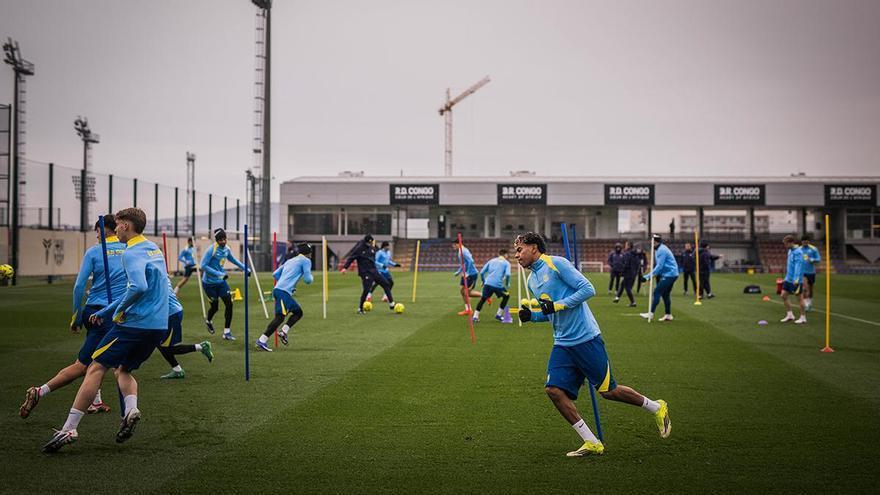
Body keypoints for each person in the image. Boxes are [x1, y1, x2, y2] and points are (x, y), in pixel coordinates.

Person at [514, 232, 670, 457]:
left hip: (586, 339)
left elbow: (588, 289)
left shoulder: (557, 264)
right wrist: (533, 316)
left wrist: (557, 305)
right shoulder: (532, 281)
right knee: (553, 390)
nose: (517, 255)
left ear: (534, 247)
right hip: (562, 343)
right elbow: (551, 313)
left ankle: (656, 406)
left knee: (609, 392)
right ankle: (591, 441)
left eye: (520, 249)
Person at [42, 208, 169, 453]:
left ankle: (70, 428)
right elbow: (139, 288)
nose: (116, 229)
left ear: (126, 225)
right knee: (124, 370)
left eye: (119, 224)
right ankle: (131, 410)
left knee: (95, 367)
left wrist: (118, 311)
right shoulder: (154, 249)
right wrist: (106, 311)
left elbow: (138, 287)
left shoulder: (130, 252)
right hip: (157, 327)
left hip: (135, 324)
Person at [19, 215, 126, 420]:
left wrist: (76, 318)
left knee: (94, 362)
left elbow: (79, 287)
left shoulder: (94, 251)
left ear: (103, 230)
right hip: (113, 314)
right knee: (113, 367)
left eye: (97, 231)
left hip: (93, 312)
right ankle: (126, 414)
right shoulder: (128, 250)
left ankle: (92, 401)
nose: (96, 235)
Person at [256, 243, 314, 351]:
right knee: (280, 317)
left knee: (298, 312)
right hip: (283, 292)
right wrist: (310, 277)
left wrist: (286, 284)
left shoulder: (290, 260)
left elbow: (275, 274)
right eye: (310, 252)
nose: (311, 254)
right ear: (308, 253)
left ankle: (283, 332)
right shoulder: (306, 261)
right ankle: (262, 340)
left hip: (280, 291)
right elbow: (308, 280)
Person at [157, 278, 214, 379]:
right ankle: (177, 370)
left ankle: (201, 347)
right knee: (159, 343)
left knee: (164, 347)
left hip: (171, 314)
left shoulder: (152, 275)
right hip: (169, 312)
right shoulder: (159, 273)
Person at [200, 228, 248, 340]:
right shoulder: (211, 250)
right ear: (217, 241)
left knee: (229, 304)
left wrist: (245, 268)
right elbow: (203, 266)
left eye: (224, 239)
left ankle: (226, 332)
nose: (223, 241)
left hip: (221, 283)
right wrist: (219, 274)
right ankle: (208, 320)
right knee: (215, 307)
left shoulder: (227, 249)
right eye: (220, 240)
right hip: (209, 284)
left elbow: (233, 260)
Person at [342, 234, 397, 314]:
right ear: (365, 242)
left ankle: (391, 304)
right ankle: (360, 308)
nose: (370, 244)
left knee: (386, 283)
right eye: (368, 243)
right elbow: (351, 258)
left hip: (374, 271)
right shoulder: (359, 248)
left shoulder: (372, 248)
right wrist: (345, 268)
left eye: (371, 243)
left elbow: (374, 260)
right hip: (365, 272)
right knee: (366, 290)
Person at [640, 235, 679, 321]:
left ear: (656, 242)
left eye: (652, 243)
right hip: (669, 273)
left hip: (670, 274)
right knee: (665, 294)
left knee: (657, 291)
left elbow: (659, 266)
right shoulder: (658, 249)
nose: (651, 244)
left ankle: (651, 313)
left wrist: (647, 277)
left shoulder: (661, 250)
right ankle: (668, 315)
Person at [473, 249, 511, 323]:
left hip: (487, 284)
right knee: (506, 296)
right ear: (505, 255)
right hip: (498, 286)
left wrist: (483, 281)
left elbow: (482, 272)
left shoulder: (491, 261)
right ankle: (498, 315)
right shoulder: (506, 263)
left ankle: (475, 316)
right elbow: (508, 274)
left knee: (483, 299)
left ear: (499, 254)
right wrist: (507, 284)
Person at [780, 235, 807, 324]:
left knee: (800, 298)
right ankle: (790, 315)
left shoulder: (798, 252)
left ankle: (803, 317)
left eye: (786, 244)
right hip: (788, 279)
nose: (785, 246)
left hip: (796, 280)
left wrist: (796, 279)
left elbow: (798, 267)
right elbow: (790, 266)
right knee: (783, 295)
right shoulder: (790, 251)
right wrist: (786, 278)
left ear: (791, 243)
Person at [453, 241, 482, 315]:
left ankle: (484, 296)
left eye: (454, 245)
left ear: (458, 244)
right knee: (462, 291)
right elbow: (464, 263)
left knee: (466, 292)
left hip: (471, 274)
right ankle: (468, 309)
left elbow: (471, 261)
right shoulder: (460, 251)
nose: (453, 246)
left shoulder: (464, 251)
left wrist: (467, 272)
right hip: (465, 273)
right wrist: (459, 271)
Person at [613, 241, 639, 307]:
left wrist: (622, 272)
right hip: (633, 273)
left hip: (628, 273)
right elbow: (637, 264)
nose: (625, 246)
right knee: (622, 284)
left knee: (627, 288)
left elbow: (626, 264)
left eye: (626, 245)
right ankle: (617, 297)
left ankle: (633, 302)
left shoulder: (627, 254)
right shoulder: (635, 254)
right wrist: (636, 272)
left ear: (629, 246)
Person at [800, 235, 821, 311]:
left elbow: (818, 259)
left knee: (811, 289)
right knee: (805, 288)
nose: (805, 242)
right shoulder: (799, 250)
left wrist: (812, 259)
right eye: (803, 241)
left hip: (811, 272)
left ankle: (809, 304)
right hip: (802, 272)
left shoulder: (813, 249)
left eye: (806, 241)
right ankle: (805, 304)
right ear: (801, 242)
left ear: (808, 241)